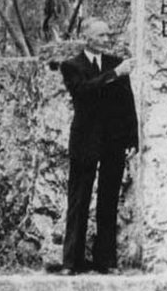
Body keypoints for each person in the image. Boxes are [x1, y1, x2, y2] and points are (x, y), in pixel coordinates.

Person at [59, 17, 138, 275]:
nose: (107, 40)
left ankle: (106, 260)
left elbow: (128, 103)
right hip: (85, 141)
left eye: (108, 35)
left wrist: (132, 138)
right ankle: (72, 262)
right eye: (102, 36)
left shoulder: (117, 64)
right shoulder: (72, 66)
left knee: (108, 201)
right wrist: (115, 75)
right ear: (88, 37)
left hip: (113, 142)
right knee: (79, 200)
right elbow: (83, 91)